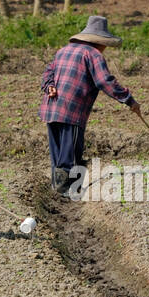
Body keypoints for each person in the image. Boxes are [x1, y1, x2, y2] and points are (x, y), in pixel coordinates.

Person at [39, 15, 141, 196]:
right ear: (100, 42)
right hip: (72, 111)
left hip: (51, 107)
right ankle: (67, 193)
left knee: (57, 151)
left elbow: (48, 72)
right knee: (70, 154)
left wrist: (49, 86)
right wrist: (128, 99)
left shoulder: (63, 50)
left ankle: (59, 191)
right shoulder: (93, 54)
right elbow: (105, 81)